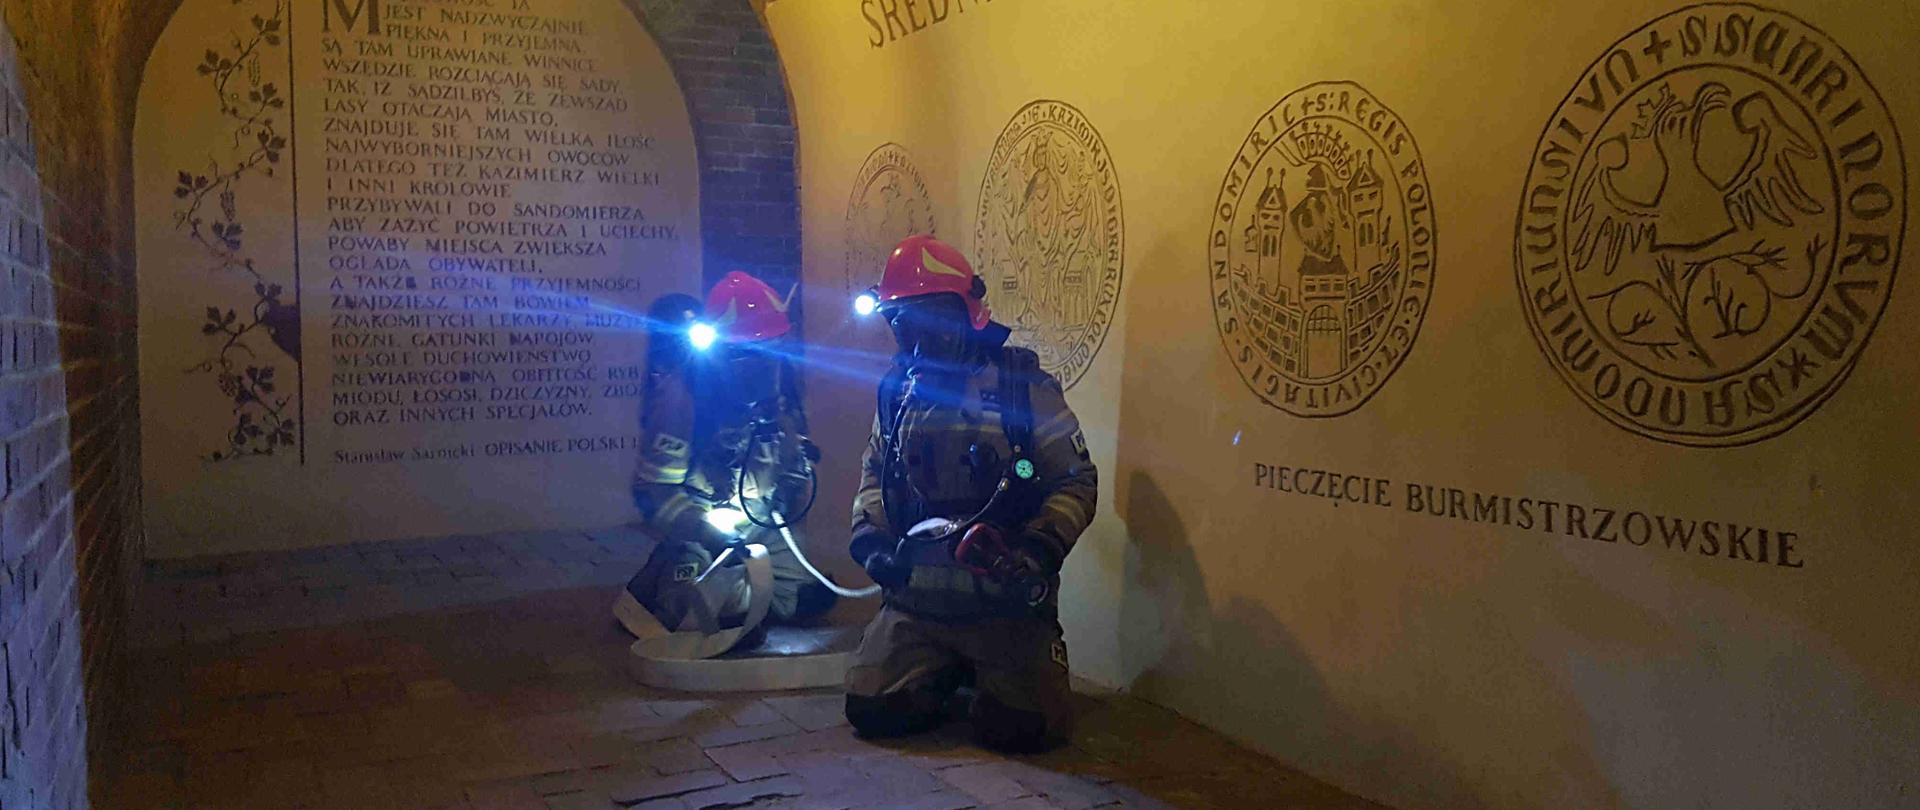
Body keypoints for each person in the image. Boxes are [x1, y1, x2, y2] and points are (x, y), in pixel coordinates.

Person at [843, 234, 1098, 753]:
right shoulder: (898, 394)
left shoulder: (1020, 389)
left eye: (929, 325)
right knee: (872, 711)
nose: (916, 343)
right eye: (902, 326)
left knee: (1022, 731)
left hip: (1003, 606)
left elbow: (1076, 481)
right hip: (917, 606)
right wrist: (871, 539)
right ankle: (943, 669)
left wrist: (1037, 548)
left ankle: (996, 673)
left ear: (966, 315)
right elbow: (875, 473)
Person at [613, 272, 836, 645]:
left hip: (761, 519)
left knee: (804, 598)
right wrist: (706, 531)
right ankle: (650, 597)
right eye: (753, 355)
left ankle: (751, 594)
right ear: (724, 354)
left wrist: (787, 489)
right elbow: (653, 492)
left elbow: (790, 453)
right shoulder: (682, 396)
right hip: (702, 525)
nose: (766, 366)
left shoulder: (783, 388)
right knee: (717, 609)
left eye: (773, 350)